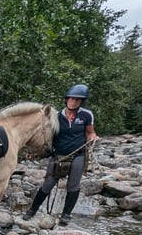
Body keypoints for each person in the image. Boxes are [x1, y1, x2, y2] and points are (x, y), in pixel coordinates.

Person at [23, 84, 99, 225]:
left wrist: (93, 137)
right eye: (72, 99)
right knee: (48, 184)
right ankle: (32, 211)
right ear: (66, 99)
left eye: (78, 100)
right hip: (58, 155)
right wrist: (35, 153)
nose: (74, 101)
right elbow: (46, 138)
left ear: (82, 102)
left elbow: (90, 132)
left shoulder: (86, 115)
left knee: (73, 185)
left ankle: (66, 215)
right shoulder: (56, 117)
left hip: (78, 154)